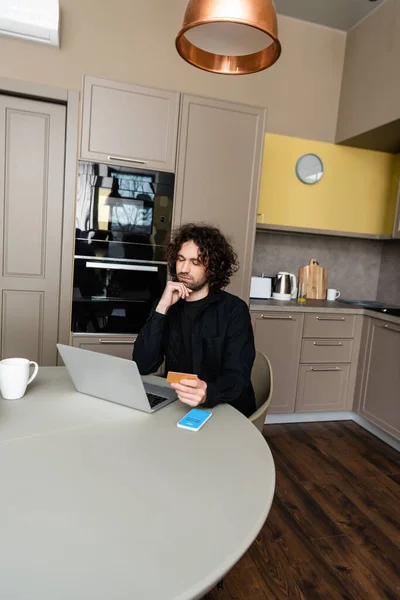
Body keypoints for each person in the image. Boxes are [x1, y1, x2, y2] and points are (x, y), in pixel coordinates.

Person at [133, 223, 256, 417]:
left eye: (195, 262)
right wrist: (162, 308)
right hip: (179, 405)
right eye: (181, 259)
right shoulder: (165, 305)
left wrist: (207, 392)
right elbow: (142, 364)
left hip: (224, 409)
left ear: (212, 268)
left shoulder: (234, 310)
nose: (184, 268)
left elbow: (238, 377)